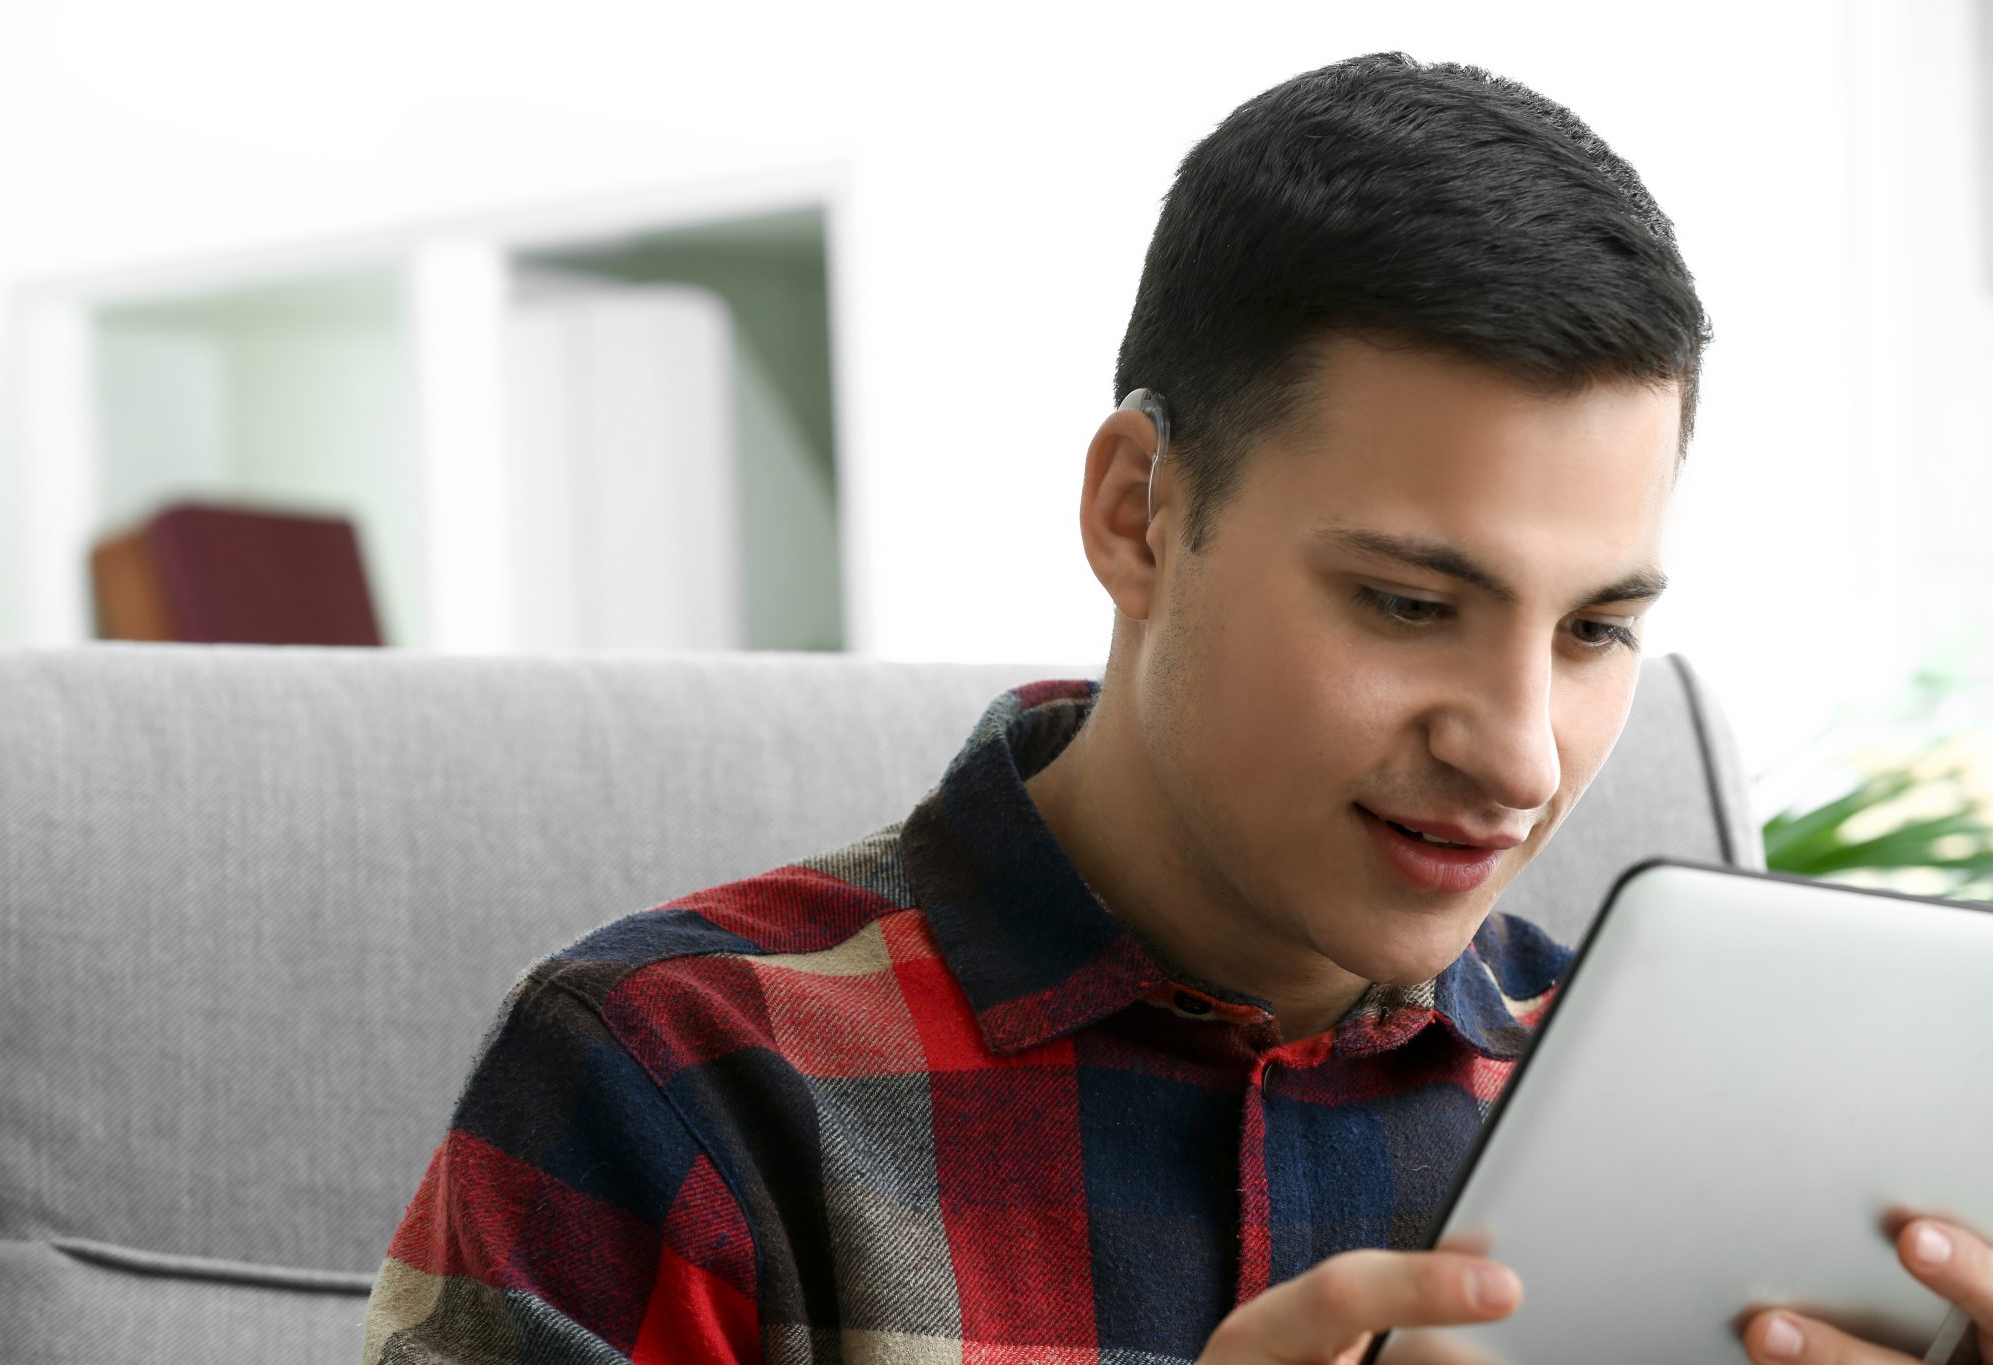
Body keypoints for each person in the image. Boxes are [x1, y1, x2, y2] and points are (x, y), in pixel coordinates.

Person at [361, 52, 1993, 1365]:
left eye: (1597, 628)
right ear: (1140, 511)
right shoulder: (677, 1087)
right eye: (1410, 604)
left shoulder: (1705, 1132)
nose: (1520, 750)